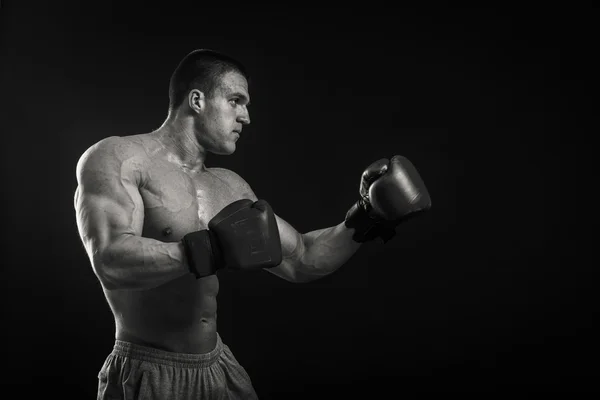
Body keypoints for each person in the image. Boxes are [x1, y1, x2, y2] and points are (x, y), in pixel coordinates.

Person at [74, 49, 432, 399]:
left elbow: (302, 259)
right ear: (197, 100)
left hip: (217, 367)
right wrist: (212, 249)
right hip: (150, 374)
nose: (245, 116)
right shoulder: (120, 158)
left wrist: (367, 216)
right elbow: (111, 261)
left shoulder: (229, 186)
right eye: (235, 101)